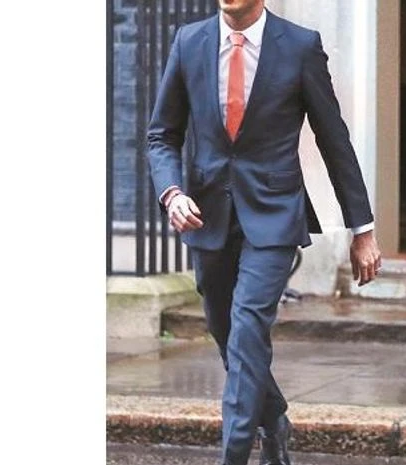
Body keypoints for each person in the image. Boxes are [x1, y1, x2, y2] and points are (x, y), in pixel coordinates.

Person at [146, 1, 382, 464]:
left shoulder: (298, 47)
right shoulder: (188, 42)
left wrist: (363, 229)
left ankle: (233, 454)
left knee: (248, 329)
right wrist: (172, 193)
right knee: (224, 327)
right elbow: (162, 135)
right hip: (208, 215)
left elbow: (334, 139)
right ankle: (272, 418)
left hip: (274, 216)